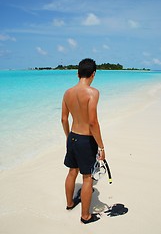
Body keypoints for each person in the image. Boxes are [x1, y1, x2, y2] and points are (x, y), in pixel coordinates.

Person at [61, 58, 105, 224]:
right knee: (87, 178)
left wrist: (68, 137)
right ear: (93, 74)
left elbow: (64, 119)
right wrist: (101, 146)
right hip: (86, 140)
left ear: (77, 73)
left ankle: (70, 203)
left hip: (72, 136)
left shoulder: (67, 93)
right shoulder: (93, 93)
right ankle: (85, 216)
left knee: (72, 171)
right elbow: (93, 122)